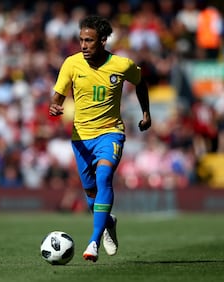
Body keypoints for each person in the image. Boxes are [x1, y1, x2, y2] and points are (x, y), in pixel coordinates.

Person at [49, 15, 151, 262]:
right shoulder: (72, 64)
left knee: (104, 176)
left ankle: (93, 241)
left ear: (103, 41)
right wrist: (54, 106)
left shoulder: (122, 65)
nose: (83, 45)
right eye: (81, 40)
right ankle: (108, 222)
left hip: (111, 132)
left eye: (89, 40)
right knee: (91, 195)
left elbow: (140, 82)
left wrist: (146, 112)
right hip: (81, 138)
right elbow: (58, 96)